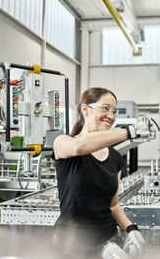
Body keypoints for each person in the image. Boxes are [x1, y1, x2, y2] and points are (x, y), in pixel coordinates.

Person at [53, 87, 144, 257]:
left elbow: (113, 205)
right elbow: (79, 147)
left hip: (109, 241)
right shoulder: (63, 142)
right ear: (85, 109)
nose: (111, 115)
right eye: (106, 108)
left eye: (114, 111)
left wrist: (132, 229)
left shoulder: (116, 158)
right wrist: (127, 132)